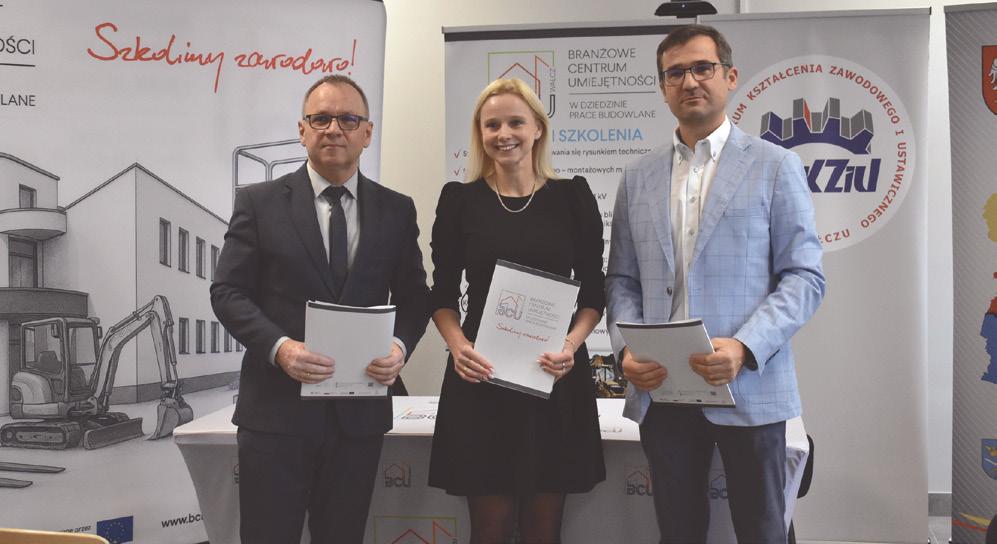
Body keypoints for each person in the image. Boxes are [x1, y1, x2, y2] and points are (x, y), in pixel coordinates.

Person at [605, 25, 826, 543]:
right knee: (678, 531)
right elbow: (621, 279)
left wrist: (746, 347)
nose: (689, 81)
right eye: (675, 73)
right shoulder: (637, 176)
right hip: (663, 390)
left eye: (702, 68)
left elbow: (804, 276)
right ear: (663, 88)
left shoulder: (776, 166)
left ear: (729, 76)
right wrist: (625, 350)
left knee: (762, 531)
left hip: (748, 384)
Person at [210, 74, 430, 543]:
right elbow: (228, 291)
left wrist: (399, 346)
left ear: (367, 132)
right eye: (321, 118)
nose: (334, 129)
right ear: (302, 129)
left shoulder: (396, 210)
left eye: (348, 119)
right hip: (276, 414)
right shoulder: (259, 203)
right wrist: (281, 348)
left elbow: (415, 297)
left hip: (358, 418)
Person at [427, 78, 606, 544]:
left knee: (544, 532)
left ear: (537, 128)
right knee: (489, 531)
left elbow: (594, 293)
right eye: (492, 125)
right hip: (481, 378)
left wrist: (571, 345)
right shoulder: (459, 200)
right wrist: (458, 346)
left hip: (554, 377)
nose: (503, 134)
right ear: (480, 133)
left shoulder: (572, 197)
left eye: (515, 122)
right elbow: (441, 295)